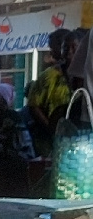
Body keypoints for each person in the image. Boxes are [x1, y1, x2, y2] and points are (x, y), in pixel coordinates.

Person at [26, 28, 77, 161]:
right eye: (66, 48)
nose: (69, 51)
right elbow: (33, 105)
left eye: (74, 47)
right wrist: (52, 129)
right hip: (51, 141)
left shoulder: (84, 74)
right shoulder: (49, 75)